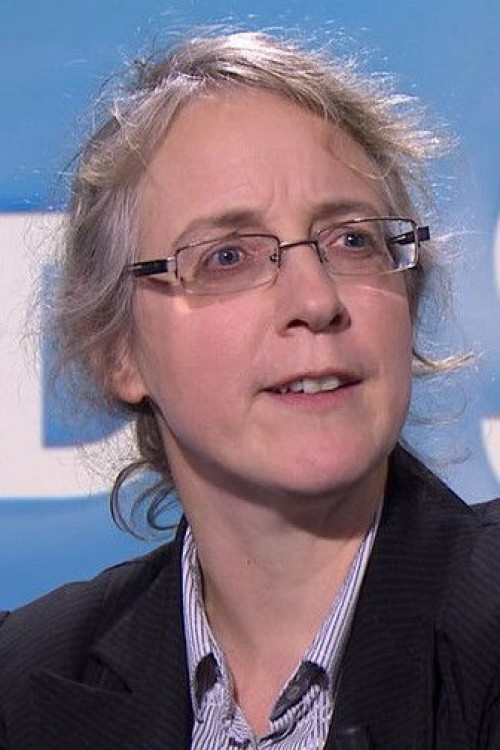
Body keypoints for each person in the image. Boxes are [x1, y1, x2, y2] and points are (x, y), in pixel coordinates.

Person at [1, 30, 500, 750]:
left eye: (353, 240)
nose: (316, 299)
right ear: (118, 350)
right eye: (228, 256)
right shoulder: (23, 685)